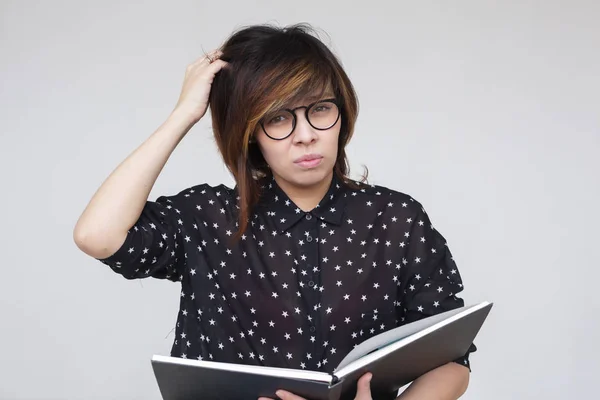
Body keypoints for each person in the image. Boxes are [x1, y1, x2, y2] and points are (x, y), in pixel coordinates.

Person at [73, 23, 476, 400]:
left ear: (342, 113)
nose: (306, 136)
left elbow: (451, 358)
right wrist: (184, 114)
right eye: (278, 118)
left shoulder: (395, 219)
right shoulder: (206, 218)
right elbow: (97, 236)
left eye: (319, 109)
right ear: (249, 135)